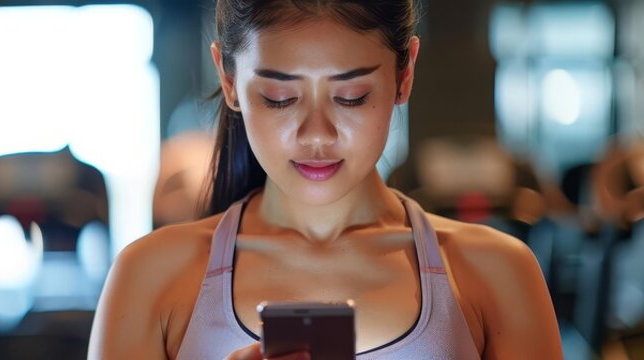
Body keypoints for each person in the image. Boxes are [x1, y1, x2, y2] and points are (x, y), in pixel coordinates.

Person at [88, 0, 562, 359]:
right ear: (229, 81)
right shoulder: (149, 278)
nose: (317, 135)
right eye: (278, 97)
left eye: (352, 96)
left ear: (405, 74)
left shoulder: (497, 274)